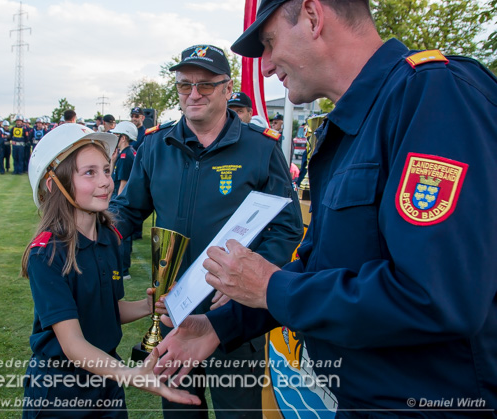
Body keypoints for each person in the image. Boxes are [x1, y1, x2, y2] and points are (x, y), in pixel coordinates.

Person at [155, 0, 497, 416]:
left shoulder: (433, 94)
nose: (263, 67)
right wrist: (221, 326)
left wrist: (271, 288)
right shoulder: (357, 122)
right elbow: (323, 266)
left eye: (269, 42)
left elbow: (436, 295)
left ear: (313, 16)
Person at [110, 44, 303, 419]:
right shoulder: (155, 143)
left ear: (227, 88)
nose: (193, 94)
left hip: (232, 311)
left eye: (205, 85)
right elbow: (128, 210)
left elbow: (286, 225)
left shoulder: (259, 149)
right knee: (181, 411)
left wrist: (249, 277)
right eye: (184, 86)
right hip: (172, 311)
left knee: (239, 413)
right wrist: (90, 234)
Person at [21, 123, 199, 417]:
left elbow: (108, 309)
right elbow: (73, 344)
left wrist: (147, 306)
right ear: (55, 185)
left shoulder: (109, 238)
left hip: (107, 382)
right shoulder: (46, 254)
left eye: (106, 170)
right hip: (60, 391)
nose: (106, 181)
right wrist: (133, 375)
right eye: (89, 172)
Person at [109, 121, 138, 281]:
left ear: (124, 137)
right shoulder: (124, 154)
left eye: (117, 135)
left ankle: (123, 269)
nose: (114, 137)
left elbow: (123, 183)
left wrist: (117, 205)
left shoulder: (126, 156)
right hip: (119, 198)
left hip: (120, 200)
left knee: (122, 236)